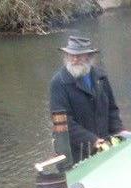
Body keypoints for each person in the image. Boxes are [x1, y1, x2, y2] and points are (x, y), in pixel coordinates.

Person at [48, 36, 123, 164]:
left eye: (79, 55)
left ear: (89, 56)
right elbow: (63, 123)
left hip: (104, 146)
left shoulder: (101, 77)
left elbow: (112, 109)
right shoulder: (58, 83)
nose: (74, 59)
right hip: (75, 154)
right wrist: (92, 140)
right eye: (71, 55)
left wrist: (119, 131)